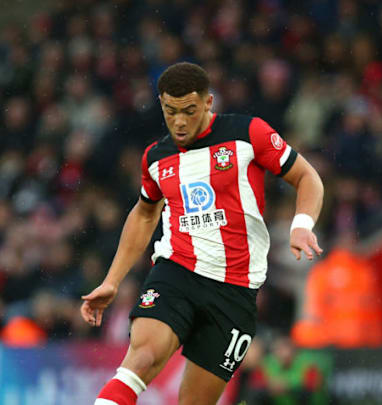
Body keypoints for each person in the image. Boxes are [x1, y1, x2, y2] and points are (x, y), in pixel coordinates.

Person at [80, 62, 324, 405]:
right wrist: (112, 279)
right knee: (143, 357)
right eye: (171, 111)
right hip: (177, 271)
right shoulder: (156, 157)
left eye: (189, 111)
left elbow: (307, 177)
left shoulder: (247, 133)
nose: (179, 121)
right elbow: (145, 212)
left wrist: (301, 226)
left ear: (209, 102)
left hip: (236, 290)